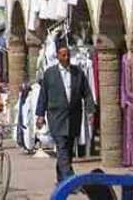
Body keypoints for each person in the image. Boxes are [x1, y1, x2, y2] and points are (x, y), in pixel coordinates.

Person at [36, 42, 95, 183]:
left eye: (68, 55)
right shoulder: (50, 74)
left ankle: (61, 179)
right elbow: (43, 95)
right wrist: (40, 115)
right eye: (63, 55)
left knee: (67, 150)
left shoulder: (78, 73)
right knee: (62, 147)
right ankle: (70, 179)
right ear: (57, 56)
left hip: (73, 117)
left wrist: (90, 111)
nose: (67, 57)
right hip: (56, 117)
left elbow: (86, 93)